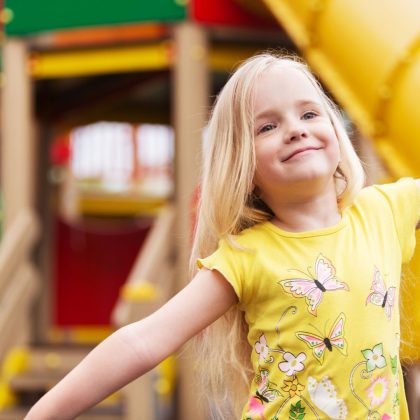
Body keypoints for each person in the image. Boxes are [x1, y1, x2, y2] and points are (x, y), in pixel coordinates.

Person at [25, 52, 419, 420]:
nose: (295, 130)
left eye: (309, 113)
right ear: (242, 166)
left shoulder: (383, 211)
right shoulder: (248, 256)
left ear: (336, 129)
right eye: (267, 126)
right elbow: (142, 342)